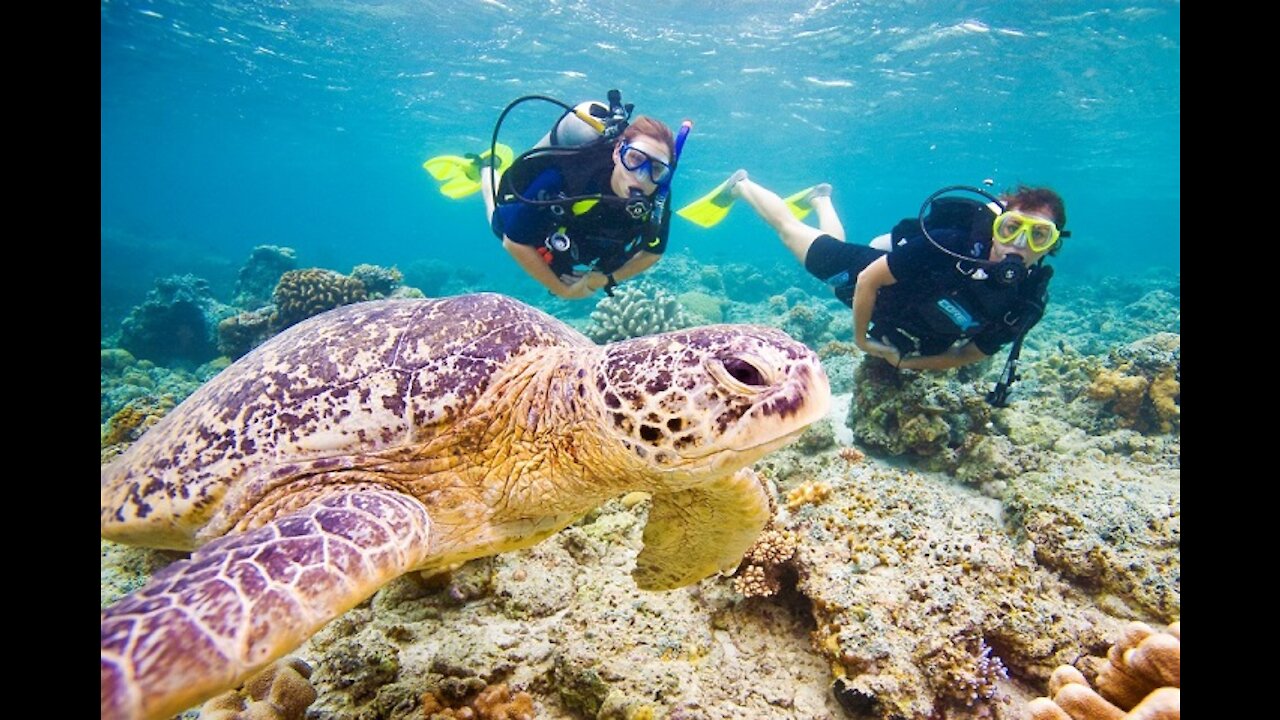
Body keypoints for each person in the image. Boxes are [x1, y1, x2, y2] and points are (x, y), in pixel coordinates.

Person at [708, 170, 1067, 371]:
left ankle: (820, 198)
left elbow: (968, 354)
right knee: (790, 232)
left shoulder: (1026, 303)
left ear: (1051, 246)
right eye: (1011, 228)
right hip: (865, 279)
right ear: (995, 227)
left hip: (895, 314)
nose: (1019, 244)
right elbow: (869, 279)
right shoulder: (948, 244)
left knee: (828, 242)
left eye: (1038, 236)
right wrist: (862, 340)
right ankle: (742, 185)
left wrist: (906, 363)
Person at [477, 115, 680, 300]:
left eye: (656, 168)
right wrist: (562, 290)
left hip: (582, 243)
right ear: (618, 152)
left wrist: (607, 279)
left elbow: (653, 252)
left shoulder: (658, 196)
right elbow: (513, 242)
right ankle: (488, 168)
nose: (642, 176)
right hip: (549, 227)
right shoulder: (569, 176)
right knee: (499, 222)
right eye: (635, 158)